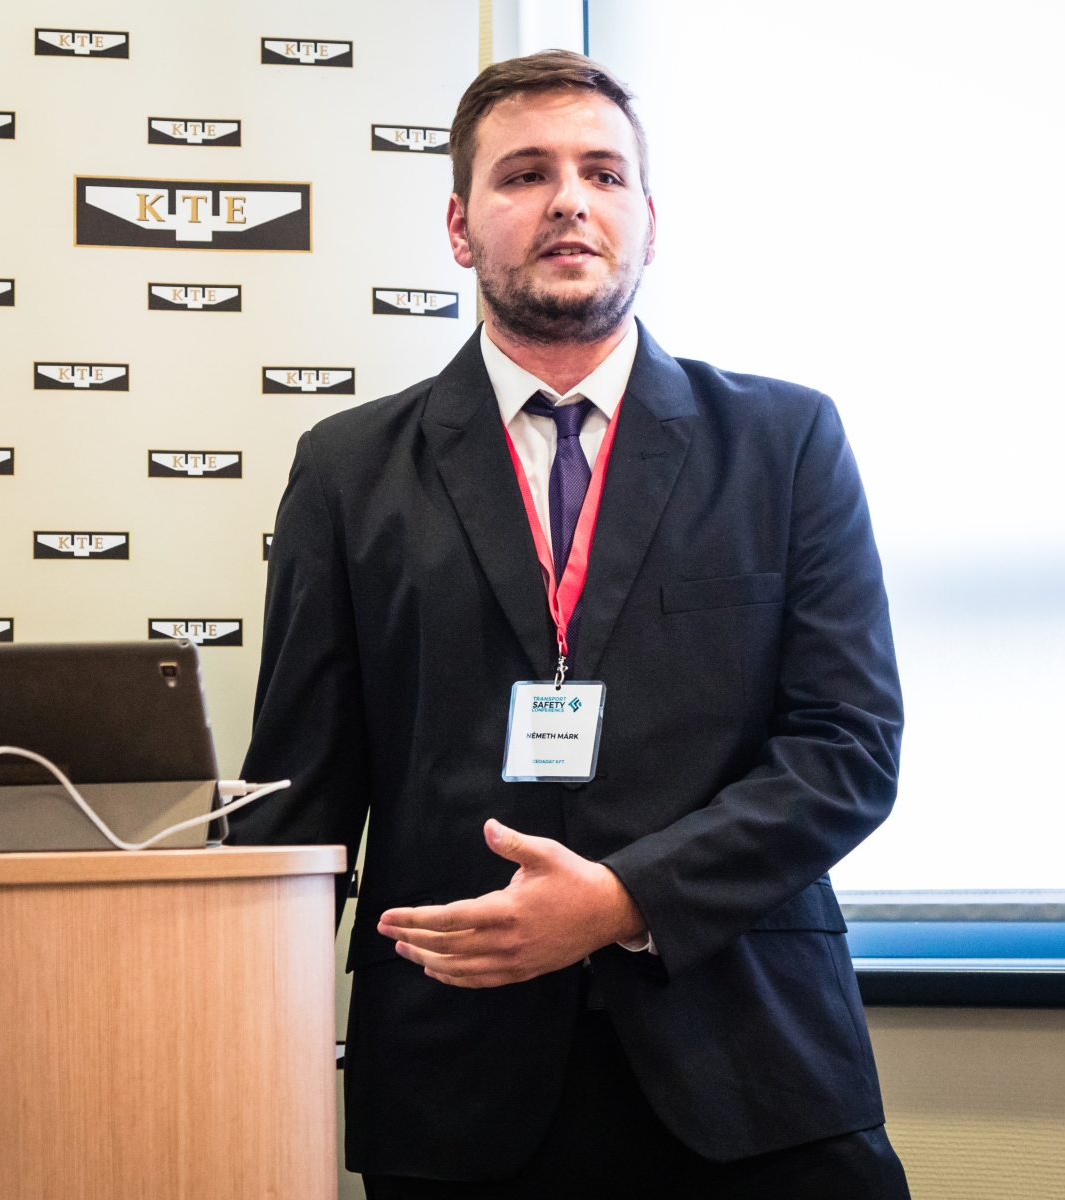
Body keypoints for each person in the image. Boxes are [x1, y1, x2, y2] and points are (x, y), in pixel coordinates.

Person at [233, 50, 909, 1199]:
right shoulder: (347, 471)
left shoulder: (785, 444)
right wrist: (242, 1042)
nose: (568, 201)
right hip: (456, 1085)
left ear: (650, 219)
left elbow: (846, 751)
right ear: (459, 226)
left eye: (603, 173)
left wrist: (621, 900)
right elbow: (301, 800)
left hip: (752, 1066)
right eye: (525, 174)